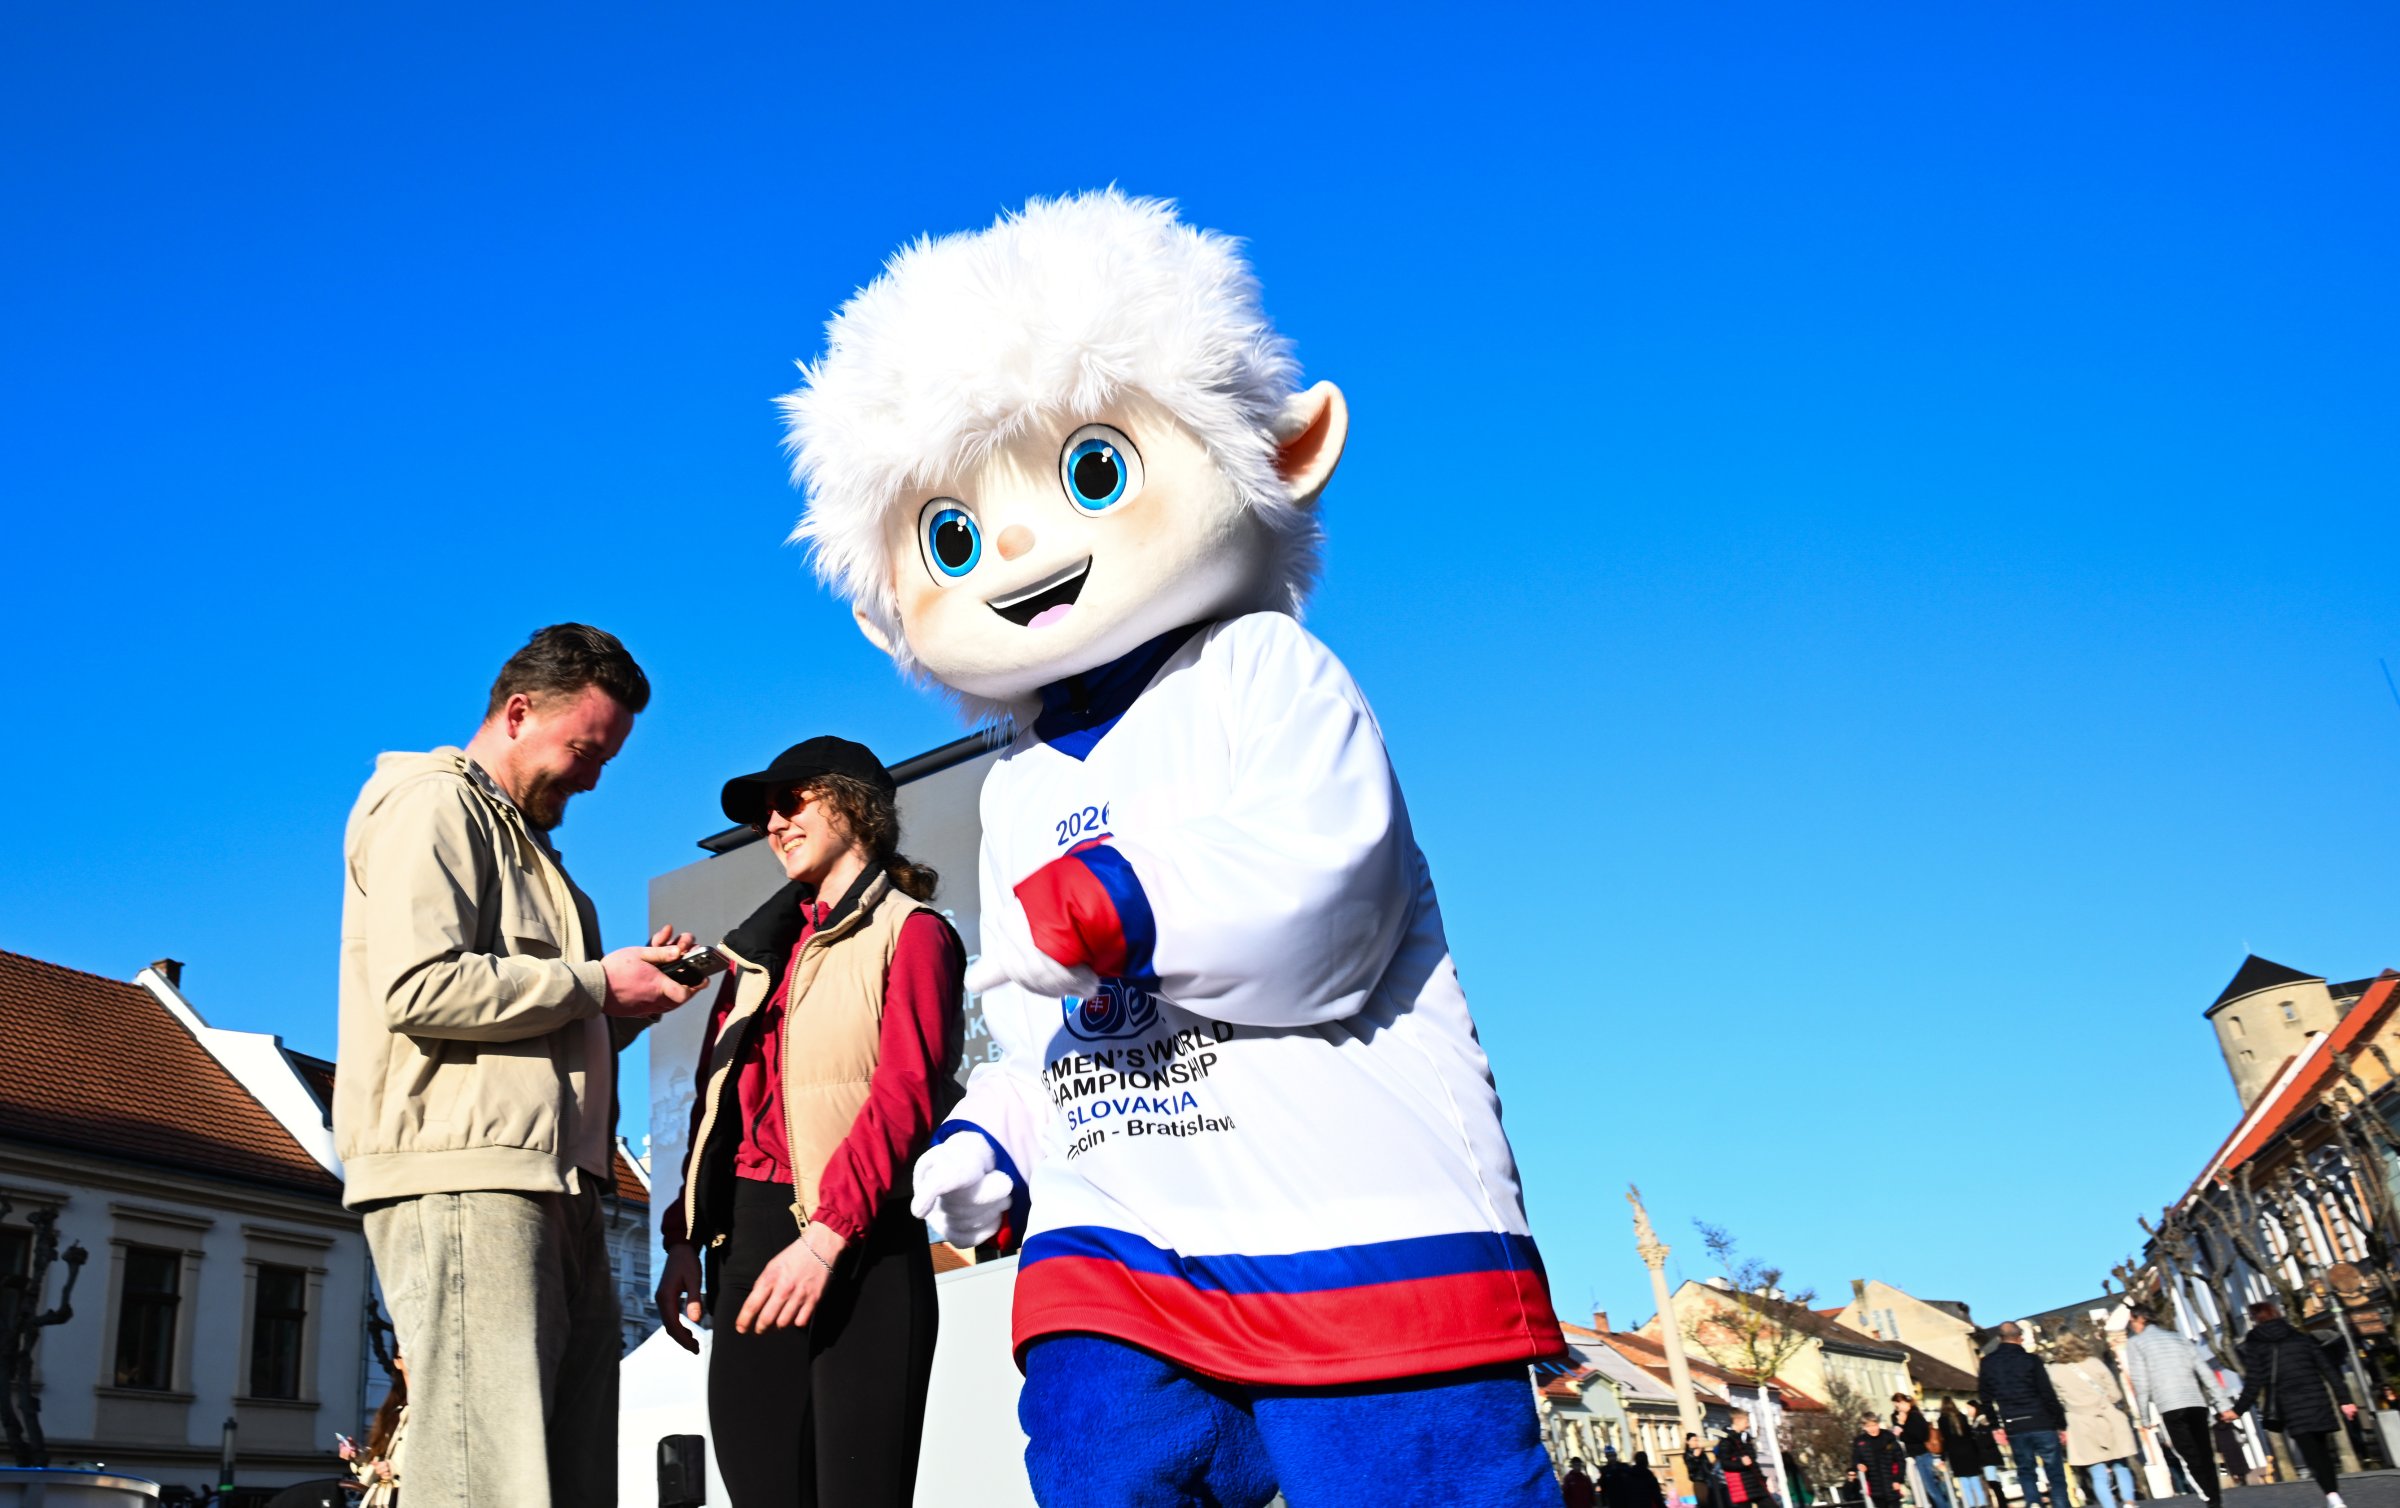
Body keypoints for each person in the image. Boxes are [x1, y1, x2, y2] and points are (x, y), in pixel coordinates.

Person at [795, 191, 1565, 1504]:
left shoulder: (1264, 669)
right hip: (1126, 1242)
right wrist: (995, 1132)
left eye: (1093, 472)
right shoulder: (1015, 781)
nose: (1015, 549)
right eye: (953, 536)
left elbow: (1327, 914)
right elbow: (1045, 1023)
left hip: (1348, 1215)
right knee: (1096, 1462)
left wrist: (1120, 906)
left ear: (1281, 449)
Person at [334, 623, 700, 1505]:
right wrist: (596, 982)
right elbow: (418, 987)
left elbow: (539, 1029)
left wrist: (625, 1002)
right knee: (488, 1477)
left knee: (559, 1476)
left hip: (551, 1183)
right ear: (519, 712)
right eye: (586, 750)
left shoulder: (530, 851)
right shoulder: (432, 805)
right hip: (471, 1177)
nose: (593, 778)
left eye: (606, 758)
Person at [655, 737, 966, 1505]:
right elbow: (714, 1111)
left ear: (854, 805)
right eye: (765, 812)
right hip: (747, 1251)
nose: (773, 823)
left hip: (864, 1248)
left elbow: (906, 1096)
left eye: (792, 801)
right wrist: (683, 1238)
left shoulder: (914, 932)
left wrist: (826, 1241)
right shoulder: (751, 960)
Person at [2229, 1300, 2357, 1508]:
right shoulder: (2299, 1336)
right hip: (2317, 1399)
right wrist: (2345, 1400)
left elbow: (2254, 1381)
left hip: (2290, 1405)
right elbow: (2328, 1369)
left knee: (2311, 1454)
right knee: (2322, 1450)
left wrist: (2238, 1410)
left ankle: (2333, 1497)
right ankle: (2334, 1495)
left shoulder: (2255, 1344)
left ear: (2255, 1319)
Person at [2122, 1307, 2230, 1508]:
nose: (2131, 1326)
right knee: (2205, 1453)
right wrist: (2222, 1403)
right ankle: (2215, 1499)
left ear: (2140, 1319)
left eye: (2132, 1321)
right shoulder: (2178, 1337)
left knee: (2189, 1454)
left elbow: (2141, 1382)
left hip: (2170, 1405)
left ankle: (2209, 1497)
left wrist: (2144, 1417)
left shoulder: (2136, 1343)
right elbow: (2204, 1371)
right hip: (2196, 1402)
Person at [1979, 1322, 2071, 1508]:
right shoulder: (2031, 1360)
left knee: (2026, 1470)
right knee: (2054, 1472)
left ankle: (2034, 1502)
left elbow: (1985, 1398)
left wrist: (1995, 1426)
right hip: (2041, 1421)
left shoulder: (1988, 1363)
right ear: (2020, 1337)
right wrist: (2060, 1424)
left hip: (2014, 1424)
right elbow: (2047, 1393)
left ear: (1999, 1338)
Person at [2046, 1333, 2139, 1508]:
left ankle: (2109, 1506)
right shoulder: (2095, 1363)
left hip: (2080, 1423)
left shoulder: (2054, 1371)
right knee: (2120, 1464)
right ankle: (2129, 1502)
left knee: (2097, 1473)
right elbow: (2115, 1394)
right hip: (2108, 1418)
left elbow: (2057, 1400)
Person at [1894, 1392, 1953, 1508]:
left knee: (1931, 1488)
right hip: (1917, 1456)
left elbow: (1919, 1436)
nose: (1897, 1408)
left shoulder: (1913, 1416)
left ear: (1905, 1403)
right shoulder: (1907, 1416)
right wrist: (1900, 1424)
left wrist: (1902, 1432)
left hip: (1921, 1455)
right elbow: (1896, 1434)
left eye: (1898, 1405)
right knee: (1930, 1487)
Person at [1853, 1414, 1909, 1508]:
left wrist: (1898, 1480)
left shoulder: (1888, 1437)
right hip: (1874, 1487)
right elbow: (1855, 1459)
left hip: (1892, 1483)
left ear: (1878, 1424)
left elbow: (1900, 1460)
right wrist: (1858, 1465)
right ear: (1864, 1427)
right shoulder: (1860, 1441)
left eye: (1874, 1425)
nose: (1872, 1429)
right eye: (1868, 1426)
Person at [1719, 1410, 1771, 1508]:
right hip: (1741, 1486)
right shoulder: (1726, 1440)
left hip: (1756, 1484)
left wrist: (1763, 1479)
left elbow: (1753, 1462)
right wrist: (1741, 1463)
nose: (1748, 1425)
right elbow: (1725, 1463)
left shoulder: (1746, 1438)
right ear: (1737, 1420)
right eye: (1746, 1421)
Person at [1939, 1401, 1986, 1508]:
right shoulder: (1962, 1417)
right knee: (1975, 1480)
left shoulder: (1942, 1420)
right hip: (1969, 1451)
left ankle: (1971, 1505)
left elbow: (1945, 1439)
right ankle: (1982, 1503)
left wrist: (1943, 1456)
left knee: (1964, 1483)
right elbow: (1970, 1435)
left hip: (1955, 1455)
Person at [1686, 1432, 1720, 1508]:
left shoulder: (1701, 1452)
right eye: (1694, 1440)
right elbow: (1691, 1468)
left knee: (1714, 1503)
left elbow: (1708, 1465)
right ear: (1688, 1442)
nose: (1696, 1442)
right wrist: (1695, 1457)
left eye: (1697, 1440)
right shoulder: (1688, 1454)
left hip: (1709, 1480)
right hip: (1700, 1482)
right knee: (1705, 1504)